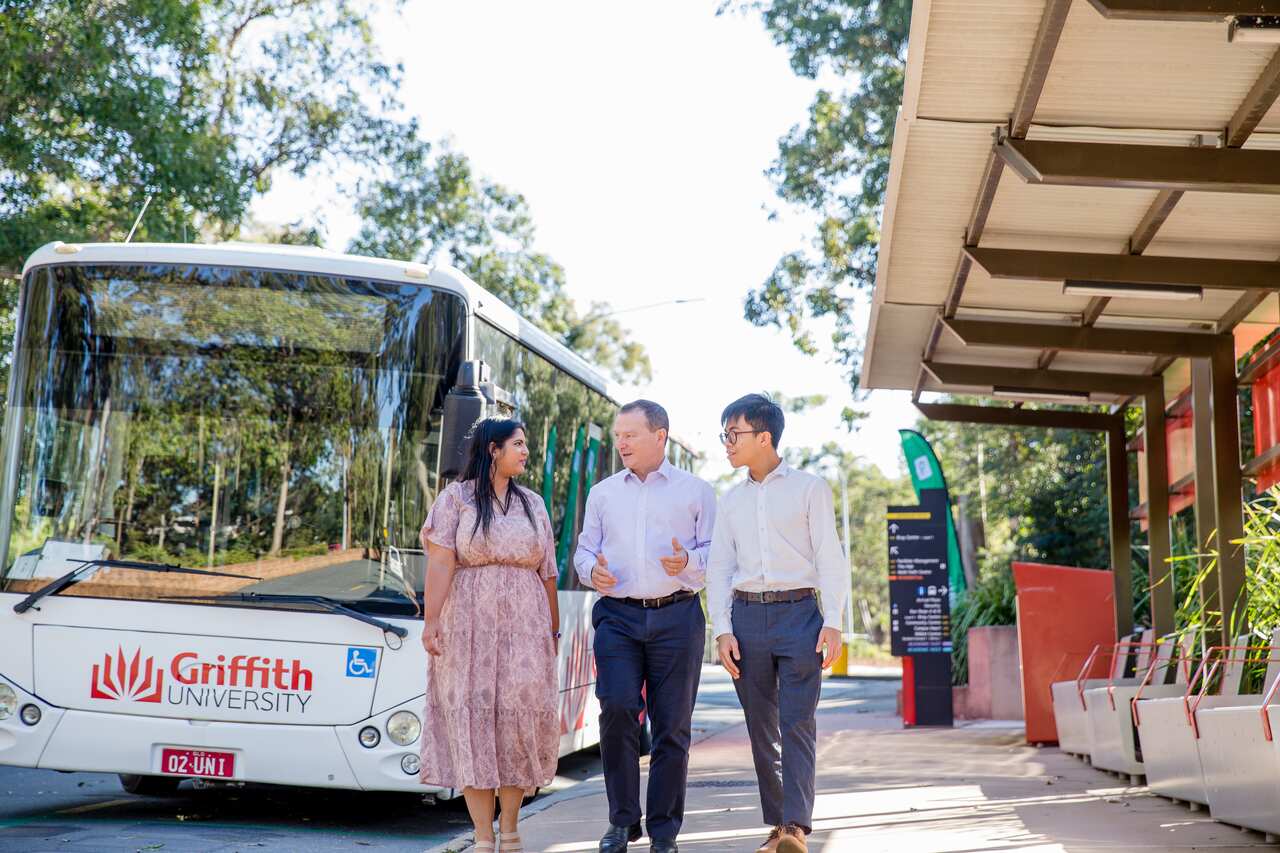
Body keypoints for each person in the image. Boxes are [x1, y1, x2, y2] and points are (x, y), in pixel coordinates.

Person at [706, 394, 848, 853]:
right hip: (746, 619)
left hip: (800, 614)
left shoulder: (810, 488)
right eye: (725, 434)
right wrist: (722, 630)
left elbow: (830, 557)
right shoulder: (729, 501)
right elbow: (720, 569)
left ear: (763, 437)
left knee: (797, 723)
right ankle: (777, 828)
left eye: (734, 434)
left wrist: (835, 621)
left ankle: (795, 828)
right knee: (761, 729)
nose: (727, 443)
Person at [574, 400, 716, 853]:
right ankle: (621, 821)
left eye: (630, 435)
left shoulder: (696, 491)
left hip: (678, 615)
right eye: (618, 436)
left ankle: (663, 832)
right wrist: (589, 573)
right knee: (616, 708)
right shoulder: (603, 493)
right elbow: (583, 552)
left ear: (660, 436)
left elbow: (716, 557)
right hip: (617, 615)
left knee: (672, 726)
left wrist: (688, 562)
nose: (621, 443)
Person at [419, 417, 561, 853]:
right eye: (518, 444)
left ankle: (512, 828)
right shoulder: (455, 500)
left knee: (518, 720)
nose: (525, 451)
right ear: (492, 449)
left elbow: (548, 572)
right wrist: (432, 621)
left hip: (526, 626)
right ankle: (483, 836)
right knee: (472, 720)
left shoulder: (533, 503)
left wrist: (552, 630)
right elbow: (441, 564)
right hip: (468, 627)